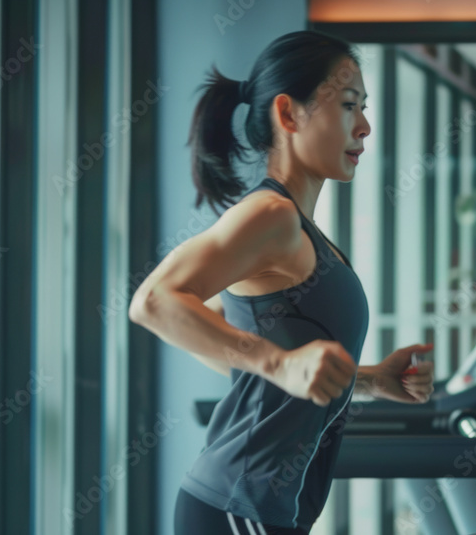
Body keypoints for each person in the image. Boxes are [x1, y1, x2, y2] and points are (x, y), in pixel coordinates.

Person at [128, 30, 436, 535]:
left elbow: (269, 367)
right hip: (237, 510)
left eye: (364, 107)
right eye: (349, 106)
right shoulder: (271, 216)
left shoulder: (301, 229)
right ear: (289, 114)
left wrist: (373, 380)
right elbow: (153, 302)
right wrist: (279, 363)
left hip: (255, 512)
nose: (364, 126)